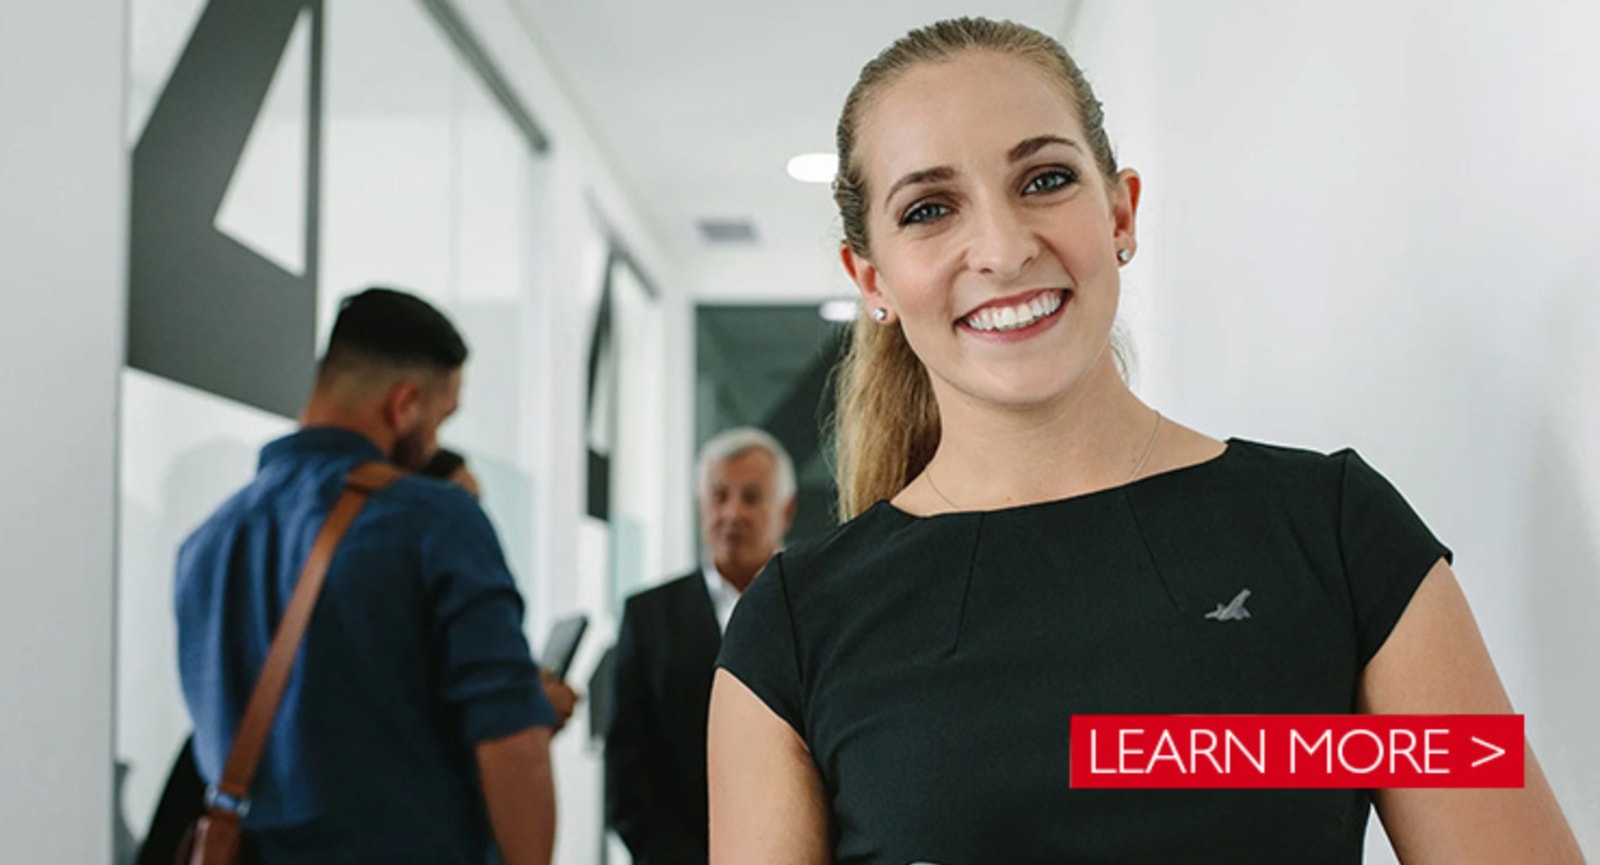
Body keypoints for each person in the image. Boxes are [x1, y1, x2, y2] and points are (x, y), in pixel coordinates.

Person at [707, 18, 1585, 865]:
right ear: (873, 279)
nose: (1005, 249)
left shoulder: (1342, 539)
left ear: (1121, 213)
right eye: (931, 208)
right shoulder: (791, 632)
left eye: (1044, 179)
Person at [175, 287, 575, 865]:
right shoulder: (433, 518)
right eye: (441, 419)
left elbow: (321, 721)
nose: (437, 444)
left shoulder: (207, 542)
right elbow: (511, 745)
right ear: (405, 403)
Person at [607, 428, 797, 864]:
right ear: (699, 506)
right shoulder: (648, 615)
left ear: (785, 510)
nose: (732, 513)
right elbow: (627, 767)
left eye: (751, 497)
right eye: (718, 496)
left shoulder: (819, 610)